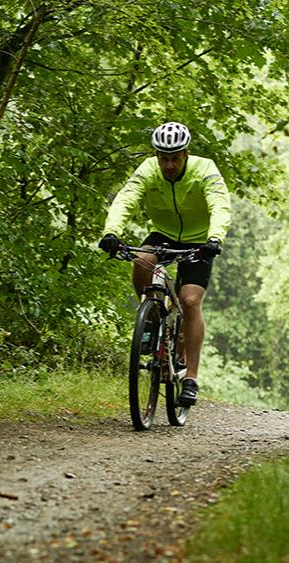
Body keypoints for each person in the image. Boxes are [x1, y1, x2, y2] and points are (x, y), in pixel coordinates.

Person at [98, 121, 231, 407]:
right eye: (163, 158)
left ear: (186, 154)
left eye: (175, 158)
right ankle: (150, 321)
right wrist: (111, 232)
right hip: (164, 235)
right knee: (142, 260)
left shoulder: (204, 169)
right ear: (156, 156)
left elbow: (219, 204)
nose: (168, 165)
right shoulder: (147, 170)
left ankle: (191, 378)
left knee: (190, 300)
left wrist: (215, 238)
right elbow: (126, 199)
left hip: (199, 240)